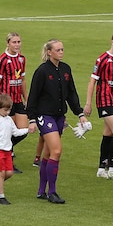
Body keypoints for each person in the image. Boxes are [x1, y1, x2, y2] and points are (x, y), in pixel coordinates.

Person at [26, 39, 89, 204]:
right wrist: (32, 119)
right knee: (57, 151)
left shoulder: (65, 69)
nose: (61, 52)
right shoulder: (42, 71)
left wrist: (80, 114)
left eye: (62, 49)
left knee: (48, 154)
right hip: (44, 116)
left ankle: (41, 191)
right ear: (49, 52)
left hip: (59, 117)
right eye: (58, 50)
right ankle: (52, 192)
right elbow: (32, 97)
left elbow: (71, 94)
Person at [84, 31, 113, 181]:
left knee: (108, 134)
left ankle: (101, 168)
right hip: (104, 100)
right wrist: (88, 103)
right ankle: (112, 167)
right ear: (112, 42)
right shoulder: (102, 59)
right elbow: (92, 81)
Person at [0, 32, 29, 172]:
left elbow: (22, 80)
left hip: (18, 100)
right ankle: (7, 157)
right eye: (14, 42)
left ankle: (4, 150)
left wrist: (26, 98)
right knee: (9, 130)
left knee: (23, 131)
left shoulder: (22, 59)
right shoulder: (2, 60)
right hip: (6, 101)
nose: (17, 45)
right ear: (8, 43)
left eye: (19, 42)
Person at [0, 93, 29, 204]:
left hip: (7, 151)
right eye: (5, 110)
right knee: (2, 173)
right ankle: (1, 197)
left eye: (9, 110)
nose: (8, 112)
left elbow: (16, 132)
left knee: (9, 173)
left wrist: (28, 130)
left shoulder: (9, 120)